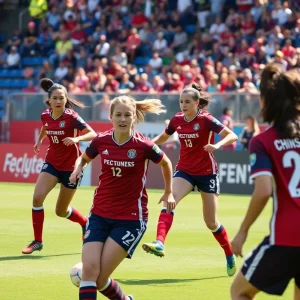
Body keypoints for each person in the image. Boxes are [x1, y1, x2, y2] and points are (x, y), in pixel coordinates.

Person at [70, 95, 175, 300]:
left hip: (130, 220)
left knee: (99, 279)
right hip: (99, 213)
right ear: (111, 116)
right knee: (89, 272)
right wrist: (77, 170)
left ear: (134, 117)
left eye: (127, 115)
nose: (123, 119)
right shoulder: (101, 140)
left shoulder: (143, 145)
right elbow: (82, 159)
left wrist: (169, 191)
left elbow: (166, 163)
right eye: (118, 114)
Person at [142, 83, 238, 276]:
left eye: (187, 102)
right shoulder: (177, 119)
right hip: (185, 171)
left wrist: (217, 145)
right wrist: (147, 145)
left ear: (197, 103)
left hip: (207, 173)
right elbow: (164, 137)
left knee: (211, 222)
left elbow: (232, 135)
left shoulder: (206, 119)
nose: (183, 105)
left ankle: (229, 254)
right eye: (181, 102)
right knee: (169, 201)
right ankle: (160, 242)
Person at [230, 64, 300, 299]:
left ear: (264, 102)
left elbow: (263, 191)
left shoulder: (262, 141)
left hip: (286, 236)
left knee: (240, 292)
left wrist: (242, 232)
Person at [22, 78, 97, 255]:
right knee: (37, 198)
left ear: (65, 99)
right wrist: (40, 140)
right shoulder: (45, 115)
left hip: (72, 168)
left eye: (61, 98)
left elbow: (93, 134)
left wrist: (77, 139)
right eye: (55, 98)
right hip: (52, 163)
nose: (58, 101)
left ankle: (84, 222)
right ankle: (37, 241)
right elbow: (46, 126)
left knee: (61, 211)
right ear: (49, 100)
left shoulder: (72, 117)